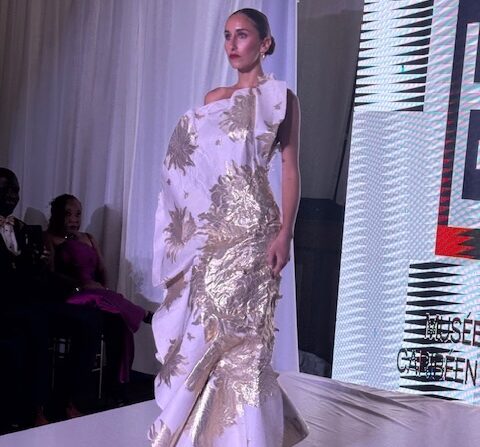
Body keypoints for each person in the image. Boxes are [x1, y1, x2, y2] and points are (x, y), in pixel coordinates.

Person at [149, 8, 308, 446]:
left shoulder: (281, 98)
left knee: (250, 339)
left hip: (257, 229)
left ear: (265, 43)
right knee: (210, 331)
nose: (232, 45)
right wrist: (191, 227)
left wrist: (285, 233)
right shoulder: (213, 98)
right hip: (215, 236)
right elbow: (192, 170)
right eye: (226, 36)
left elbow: (290, 170)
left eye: (242, 35)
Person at [0, 167, 102, 426]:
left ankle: (67, 400)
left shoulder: (24, 229)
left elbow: (39, 276)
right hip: (6, 306)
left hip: (34, 301)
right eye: (5, 189)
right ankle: (37, 410)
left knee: (88, 321)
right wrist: (24, 266)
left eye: (16, 190)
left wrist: (41, 265)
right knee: (35, 327)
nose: (12, 195)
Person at [44, 194, 153, 396]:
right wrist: (79, 285)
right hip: (73, 296)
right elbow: (50, 274)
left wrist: (103, 292)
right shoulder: (50, 238)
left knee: (119, 321)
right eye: (68, 214)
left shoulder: (88, 238)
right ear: (57, 215)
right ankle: (144, 314)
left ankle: (116, 384)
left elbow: (102, 269)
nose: (74, 219)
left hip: (96, 294)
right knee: (105, 300)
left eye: (78, 214)